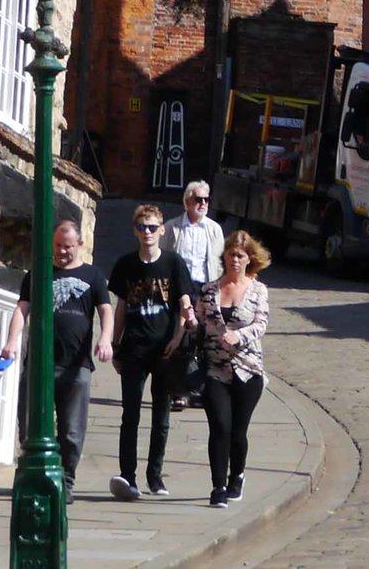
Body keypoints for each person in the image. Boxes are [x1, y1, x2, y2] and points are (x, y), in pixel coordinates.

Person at [0, 217, 112, 498]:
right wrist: (12, 341)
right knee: (31, 428)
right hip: (39, 364)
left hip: (76, 367)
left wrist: (106, 338)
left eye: (68, 246)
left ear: (80, 245)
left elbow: (106, 310)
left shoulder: (93, 276)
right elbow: (22, 309)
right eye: (58, 246)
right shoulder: (38, 273)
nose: (63, 251)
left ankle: (66, 482)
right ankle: (30, 478)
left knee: (72, 432)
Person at [105, 204, 197, 500]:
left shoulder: (173, 263)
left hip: (164, 351)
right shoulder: (125, 265)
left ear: (162, 230)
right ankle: (128, 476)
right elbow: (120, 307)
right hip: (133, 348)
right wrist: (114, 344)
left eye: (153, 227)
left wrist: (182, 330)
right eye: (143, 227)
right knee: (130, 414)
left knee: (162, 416)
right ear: (135, 230)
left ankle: (155, 476)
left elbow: (184, 301)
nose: (148, 232)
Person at [194, 229, 271, 507]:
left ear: (249, 258)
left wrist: (240, 336)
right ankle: (217, 487)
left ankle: (236, 474)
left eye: (240, 256)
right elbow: (199, 322)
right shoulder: (209, 290)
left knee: (238, 431)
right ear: (224, 257)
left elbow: (261, 324)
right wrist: (188, 322)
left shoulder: (258, 290)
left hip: (248, 369)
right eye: (230, 255)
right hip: (216, 367)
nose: (234, 260)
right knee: (220, 426)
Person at [165, 182, 223, 409]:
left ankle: (204, 390)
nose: (203, 204)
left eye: (206, 200)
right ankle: (178, 391)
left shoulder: (214, 229)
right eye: (198, 199)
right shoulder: (173, 228)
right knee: (181, 338)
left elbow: (220, 263)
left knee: (206, 340)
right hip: (181, 288)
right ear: (187, 201)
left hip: (206, 288)